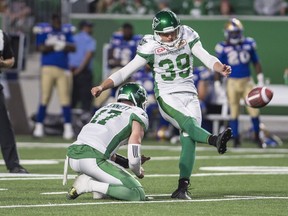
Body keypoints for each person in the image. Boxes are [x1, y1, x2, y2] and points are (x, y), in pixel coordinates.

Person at [91, 10, 232, 200]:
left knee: (189, 137)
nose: (171, 36)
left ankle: (182, 187)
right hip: (167, 94)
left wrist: (220, 67)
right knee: (188, 123)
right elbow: (125, 72)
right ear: (157, 33)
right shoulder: (149, 45)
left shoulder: (187, 34)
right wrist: (102, 86)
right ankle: (215, 140)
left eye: (173, 31)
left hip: (190, 93)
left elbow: (206, 57)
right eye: (166, 33)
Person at [64, 82, 149, 201]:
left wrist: (126, 162)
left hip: (74, 154)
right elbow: (134, 161)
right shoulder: (137, 114)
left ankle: (96, 185)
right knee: (136, 193)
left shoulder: (104, 109)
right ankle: (89, 184)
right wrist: (138, 170)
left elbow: (105, 149)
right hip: (93, 160)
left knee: (106, 167)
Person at [215, 18, 264, 148]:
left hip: (247, 81)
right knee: (234, 111)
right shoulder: (223, 47)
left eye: (236, 33)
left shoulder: (249, 43)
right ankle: (235, 138)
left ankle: (257, 136)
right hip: (231, 82)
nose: (235, 36)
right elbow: (218, 66)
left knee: (254, 110)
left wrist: (260, 78)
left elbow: (256, 62)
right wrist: (217, 83)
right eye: (233, 33)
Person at [33, 14, 76, 140]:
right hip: (47, 68)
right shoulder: (44, 30)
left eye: (59, 20)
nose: (57, 22)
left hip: (63, 69)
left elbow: (73, 47)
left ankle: (67, 128)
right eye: (55, 20)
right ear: (52, 21)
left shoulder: (66, 31)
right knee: (44, 97)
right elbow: (39, 47)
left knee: (65, 99)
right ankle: (38, 126)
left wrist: (62, 44)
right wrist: (52, 45)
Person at [0, 29, 28, 173]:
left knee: (4, 126)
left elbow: (10, 59)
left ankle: (13, 164)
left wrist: (2, 63)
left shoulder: (1, 35)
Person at [69, 20, 96, 113]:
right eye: (89, 27)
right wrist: (79, 70)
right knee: (86, 99)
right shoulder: (89, 39)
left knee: (72, 98)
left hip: (71, 71)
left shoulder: (73, 38)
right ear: (84, 27)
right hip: (83, 72)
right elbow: (88, 55)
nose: (91, 29)